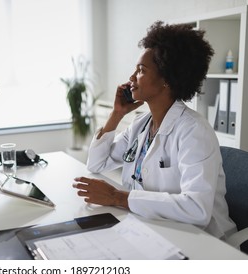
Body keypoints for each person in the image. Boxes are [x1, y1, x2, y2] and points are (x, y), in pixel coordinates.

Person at [72, 21, 236, 239]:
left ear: (167, 79)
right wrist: (117, 114)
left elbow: (197, 209)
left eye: (141, 70)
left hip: (201, 239)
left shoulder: (194, 131)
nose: (131, 78)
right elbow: (96, 163)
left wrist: (117, 197)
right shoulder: (141, 124)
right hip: (153, 227)